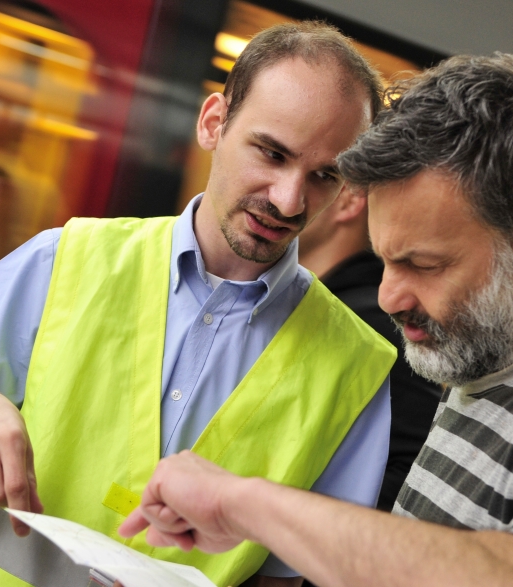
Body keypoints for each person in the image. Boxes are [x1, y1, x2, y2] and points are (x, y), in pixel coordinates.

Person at [0, 22, 396, 587]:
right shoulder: (65, 260)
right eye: (271, 153)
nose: (290, 199)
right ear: (213, 122)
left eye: (324, 175)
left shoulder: (356, 366)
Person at [119, 53, 513, 587]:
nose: (389, 298)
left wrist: (244, 503)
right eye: (385, 260)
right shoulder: (475, 369)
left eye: (424, 264)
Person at [298, 185, 442, 511]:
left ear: (349, 199)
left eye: (320, 176)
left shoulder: (373, 321)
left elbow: (411, 465)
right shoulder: (312, 307)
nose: (283, 194)